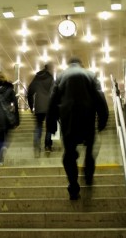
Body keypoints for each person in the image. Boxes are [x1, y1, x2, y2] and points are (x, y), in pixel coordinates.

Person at [46, 57, 109, 200]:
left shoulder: (61, 77)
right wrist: (103, 118)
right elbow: (100, 96)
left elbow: (53, 100)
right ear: (81, 64)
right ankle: (88, 173)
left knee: (69, 154)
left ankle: (73, 187)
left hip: (69, 120)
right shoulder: (90, 75)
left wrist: (51, 123)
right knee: (90, 149)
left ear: (69, 65)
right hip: (88, 119)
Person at [0, 71, 20, 166]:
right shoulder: (10, 89)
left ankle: (0, 160)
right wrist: (17, 119)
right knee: (6, 136)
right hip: (6, 116)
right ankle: (5, 147)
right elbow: (15, 104)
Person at [27, 62, 54, 157]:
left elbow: (30, 92)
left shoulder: (37, 78)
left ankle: (37, 144)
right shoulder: (51, 78)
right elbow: (55, 92)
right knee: (49, 126)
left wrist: (31, 106)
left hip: (39, 105)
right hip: (50, 106)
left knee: (39, 126)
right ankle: (47, 145)